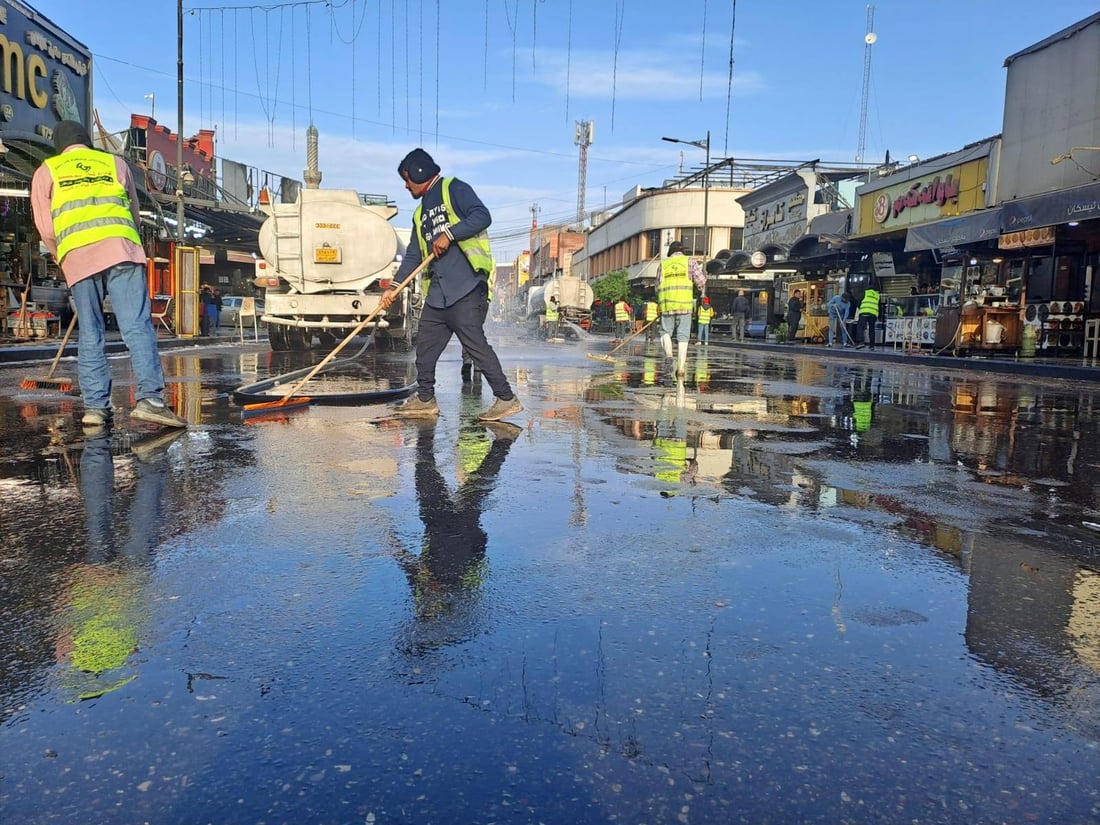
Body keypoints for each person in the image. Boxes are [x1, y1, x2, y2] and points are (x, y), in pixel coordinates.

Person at [30, 120, 187, 430]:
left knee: (91, 332)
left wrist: (64, 256)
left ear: (59, 145)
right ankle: (151, 401)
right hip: (121, 250)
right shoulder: (114, 162)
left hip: (77, 254)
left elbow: (46, 227)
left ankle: (95, 409)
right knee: (137, 327)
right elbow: (133, 210)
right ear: (88, 142)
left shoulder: (48, 170)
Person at [381, 148, 521, 421]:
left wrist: (450, 234)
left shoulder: (453, 189)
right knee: (425, 347)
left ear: (420, 172)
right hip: (439, 294)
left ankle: (506, 398)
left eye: (407, 178)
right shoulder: (419, 214)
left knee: (476, 345)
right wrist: (394, 287)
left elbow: (482, 215)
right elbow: (413, 255)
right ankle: (425, 398)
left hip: (466, 285)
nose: (406, 185)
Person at [656, 240, 705, 376]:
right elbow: (701, 282)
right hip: (684, 305)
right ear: (683, 251)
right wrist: (699, 288)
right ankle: (681, 369)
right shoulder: (689, 261)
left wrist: (660, 302)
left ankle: (669, 355)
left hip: (667, 305)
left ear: (670, 252)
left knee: (665, 332)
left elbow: (657, 286)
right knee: (683, 336)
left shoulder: (663, 264)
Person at [855, 284, 881, 350]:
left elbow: (859, 303)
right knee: (871, 329)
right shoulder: (877, 295)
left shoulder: (865, 292)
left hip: (864, 312)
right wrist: (879, 316)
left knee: (860, 327)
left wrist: (860, 308)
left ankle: (861, 342)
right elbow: (879, 306)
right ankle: (872, 346)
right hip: (873, 314)